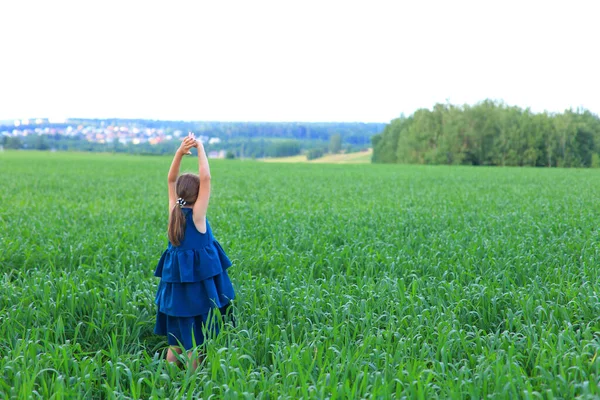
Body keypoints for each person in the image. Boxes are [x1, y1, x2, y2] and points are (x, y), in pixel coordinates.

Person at [154, 132, 235, 369]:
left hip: (175, 297)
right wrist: (200, 147)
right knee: (193, 349)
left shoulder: (174, 211)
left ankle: (166, 382)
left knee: (175, 346)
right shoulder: (197, 217)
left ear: (179, 194)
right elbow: (206, 178)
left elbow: (170, 180)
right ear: (198, 196)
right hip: (195, 298)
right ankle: (193, 386)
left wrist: (180, 152)